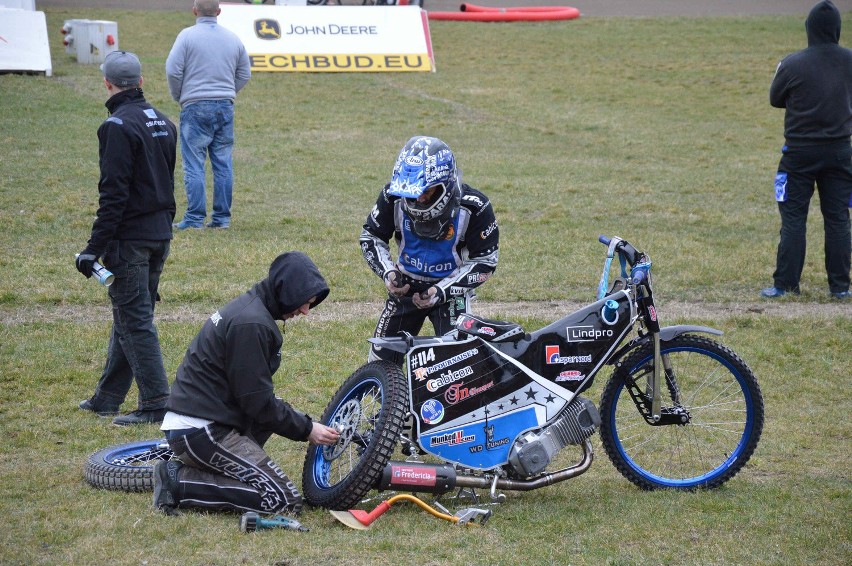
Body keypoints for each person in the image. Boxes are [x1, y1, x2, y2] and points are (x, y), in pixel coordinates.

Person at [153, 252, 340, 516]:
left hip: (204, 420)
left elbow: (257, 399)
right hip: (202, 430)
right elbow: (258, 403)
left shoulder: (253, 309)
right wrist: (307, 428)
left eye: (311, 304)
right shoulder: (251, 324)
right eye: (303, 302)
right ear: (284, 290)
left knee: (272, 411)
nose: (305, 311)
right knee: (283, 500)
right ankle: (179, 482)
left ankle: (212, 469)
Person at [75, 51, 177, 426]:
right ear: (141, 81)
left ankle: (155, 402)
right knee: (132, 313)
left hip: (130, 239)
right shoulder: (165, 121)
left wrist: (93, 249)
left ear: (107, 83)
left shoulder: (116, 125)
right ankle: (107, 398)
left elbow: (113, 195)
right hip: (159, 234)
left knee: (135, 320)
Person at [359, 136, 500, 364]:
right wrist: (388, 273)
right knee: (378, 362)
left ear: (446, 183)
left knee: (457, 365)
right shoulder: (391, 196)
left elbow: (486, 261)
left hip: (450, 294)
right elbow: (371, 236)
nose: (419, 198)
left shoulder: (475, 207)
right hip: (405, 288)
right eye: (412, 191)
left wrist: (442, 291)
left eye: (427, 191)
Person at [762, 0, 852, 300]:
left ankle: (785, 285)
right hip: (840, 152)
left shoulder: (792, 63)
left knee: (793, 218)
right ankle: (840, 287)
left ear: (809, 30)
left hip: (798, 154)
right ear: (837, 30)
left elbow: (775, 98)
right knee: (838, 218)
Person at [166, 0, 251, 230]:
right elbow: (245, 72)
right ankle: (222, 219)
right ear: (219, 12)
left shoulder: (186, 36)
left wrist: (180, 95)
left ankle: (194, 219)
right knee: (223, 163)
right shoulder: (233, 38)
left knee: (194, 163)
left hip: (194, 105)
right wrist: (229, 92)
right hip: (225, 106)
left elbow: (173, 70)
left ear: (194, 11)